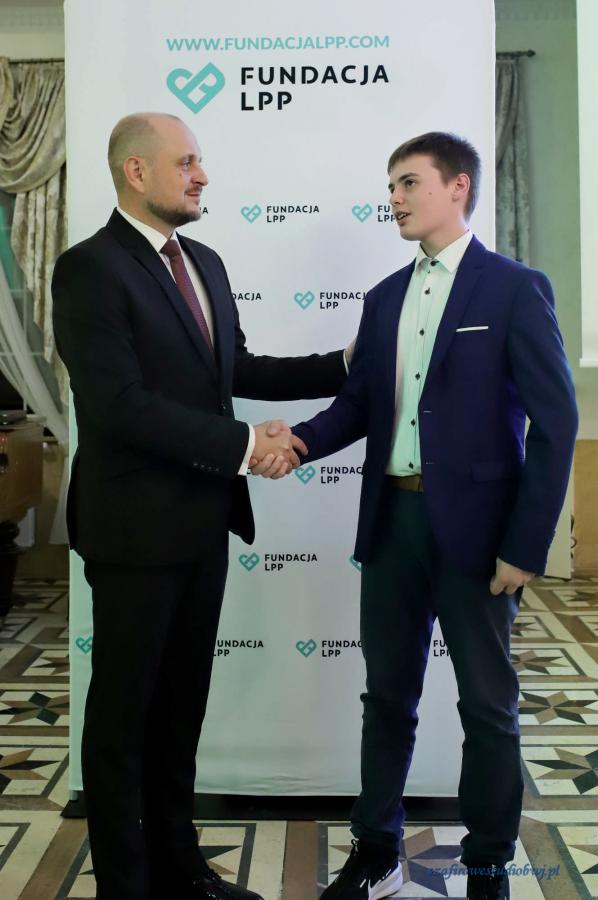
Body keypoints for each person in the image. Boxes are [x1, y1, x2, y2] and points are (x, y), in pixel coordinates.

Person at [264, 132, 578, 900]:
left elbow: (557, 421)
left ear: (458, 186)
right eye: (391, 187)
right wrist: (300, 442)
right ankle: (376, 850)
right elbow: (359, 406)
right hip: (392, 527)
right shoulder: (383, 299)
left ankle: (489, 866)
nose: (395, 199)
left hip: (481, 538)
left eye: (409, 183)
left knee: (489, 708)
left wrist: (526, 544)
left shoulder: (514, 288)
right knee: (386, 700)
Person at [52, 111, 353, 900]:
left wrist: (347, 362)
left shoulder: (207, 263)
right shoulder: (89, 270)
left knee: (182, 709)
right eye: (186, 162)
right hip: (132, 530)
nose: (203, 176)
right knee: (123, 720)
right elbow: (118, 404)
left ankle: (181, 868)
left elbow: (236, 368)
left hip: (202, 523)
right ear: (136, 172)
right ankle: (126, 885)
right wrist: (245, 444)